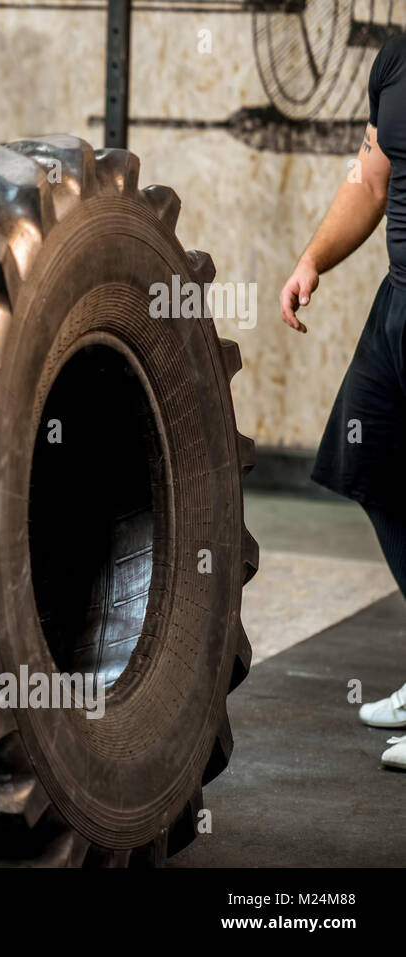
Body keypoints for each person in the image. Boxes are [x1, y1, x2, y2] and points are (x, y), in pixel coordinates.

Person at [281, 36, 406, 771]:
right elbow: (369, 177)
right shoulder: (395, 61)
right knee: (369, 465)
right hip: (398, 308)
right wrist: (312, 258)